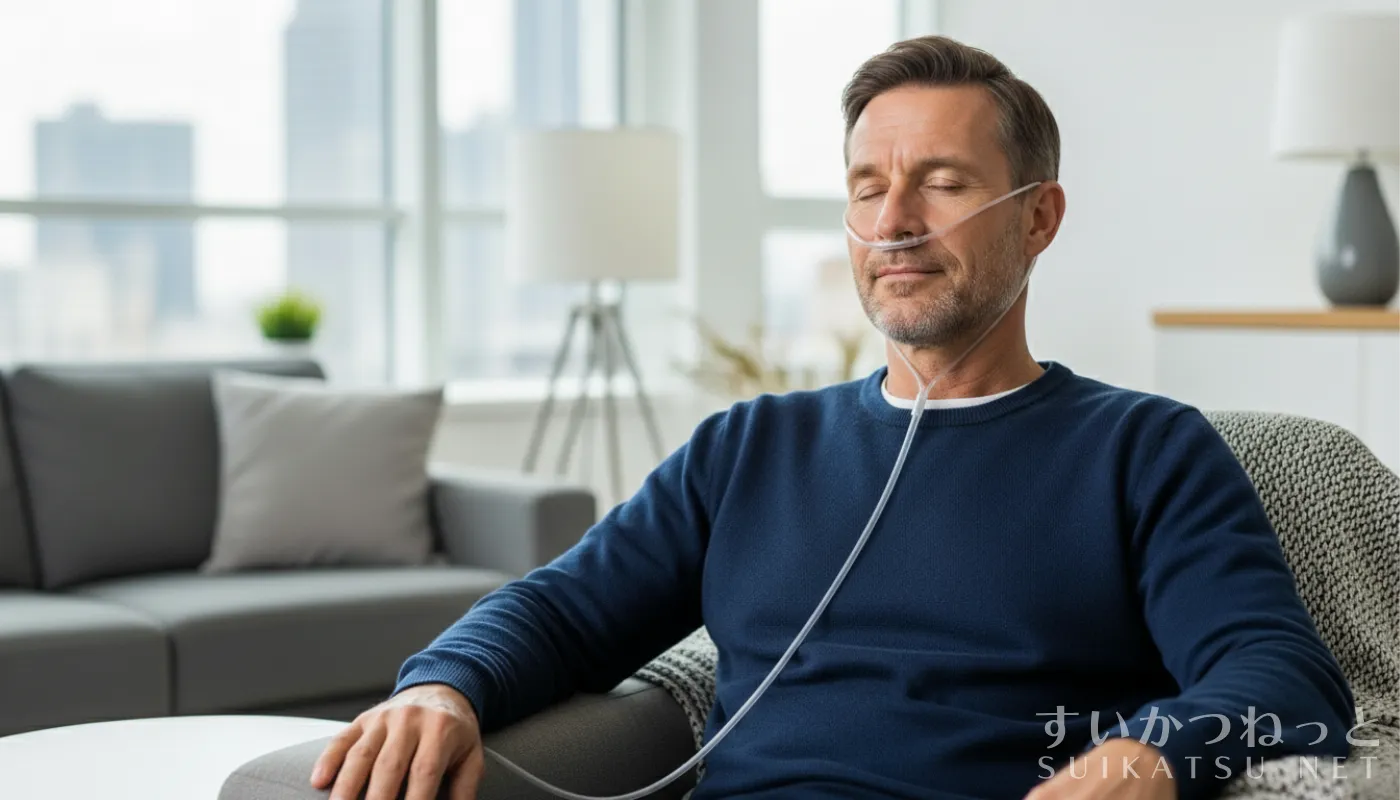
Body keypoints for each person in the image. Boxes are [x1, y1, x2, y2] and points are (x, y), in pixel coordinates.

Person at [311, 35, 1353, 800]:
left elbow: (1282, 677)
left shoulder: (1142, 451)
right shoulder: (748, 447)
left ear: (1037, 216)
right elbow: (560, 610)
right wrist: (442, 684)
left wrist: (1147, 754)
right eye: (867, 188)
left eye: (940, 183)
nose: (893, 221)